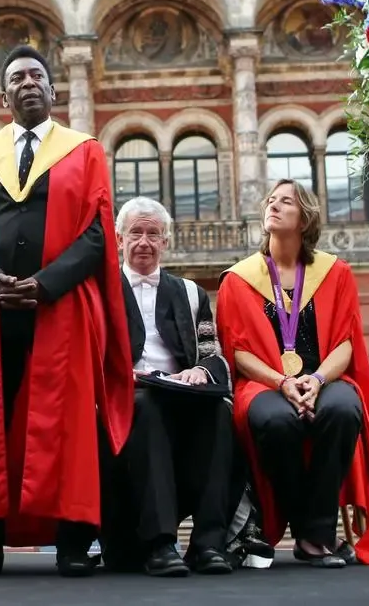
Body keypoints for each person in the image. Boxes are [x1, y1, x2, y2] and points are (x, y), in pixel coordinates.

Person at [0, 45, 133, 578]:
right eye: (17, 77)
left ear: (53, 91)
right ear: (4, 96)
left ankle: (71, 541)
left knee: (63, 423)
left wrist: (45, 285)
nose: (28, 82)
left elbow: (96, 235)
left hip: (60, 307)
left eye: (37, 76)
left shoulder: (84, 150)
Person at [216, 179, 369, 567]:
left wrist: (317, 380)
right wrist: (283, 382)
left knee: (342, 409)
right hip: (264, 383)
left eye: (285, 201)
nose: (273, 205)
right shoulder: (238, 280)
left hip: (325, 378)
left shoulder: (335, 273)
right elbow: (237, 352)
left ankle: (313, 535)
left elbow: (346, 342)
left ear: (305, 218)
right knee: (275, 419)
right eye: (271, 200)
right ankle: (313, 533)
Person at [96, 197, 238, 577]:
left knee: (220, 413)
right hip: (128, 397)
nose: (144, 242)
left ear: (166, 242)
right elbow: (86, 355)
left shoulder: (192, 293)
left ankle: (209, 544)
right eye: (136, 233)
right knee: (149, 407)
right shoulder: (99, 292)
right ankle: (161, 543)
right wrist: (118, 374)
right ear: (120, 240)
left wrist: (201, 372)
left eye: (153, 234)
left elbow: (213, 352)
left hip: (183, 394)